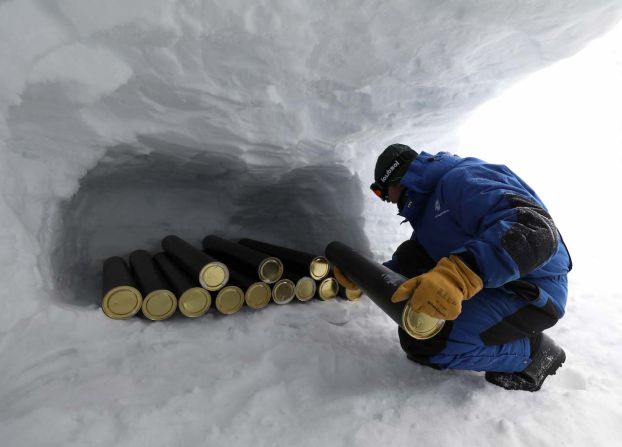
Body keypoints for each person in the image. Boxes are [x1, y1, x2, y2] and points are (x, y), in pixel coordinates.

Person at [334, 144, 572, 391]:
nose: (385, 200)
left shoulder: (462, 181)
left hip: (531, 289)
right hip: (496, 281)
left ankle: (533, 354)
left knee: (427, 339)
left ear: (395, 179)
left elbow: (536, 231)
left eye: (381, 192)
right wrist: (368, 278)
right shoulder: (429, 206)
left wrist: (459, 275)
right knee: (412, 257)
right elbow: (416, 260)